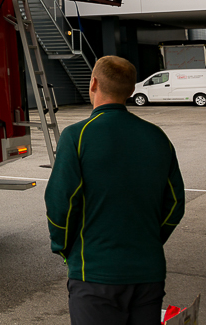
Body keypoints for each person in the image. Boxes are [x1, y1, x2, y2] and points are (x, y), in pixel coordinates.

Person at [45, 55, 185, 325]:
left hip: (94, 274)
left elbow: (60, 204)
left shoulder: (77, 136)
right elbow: (175, 205)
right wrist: (149, 241)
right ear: (131, 90)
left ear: (93, 83)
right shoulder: (157, 137)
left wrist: (65, 250)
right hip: (148, 273)